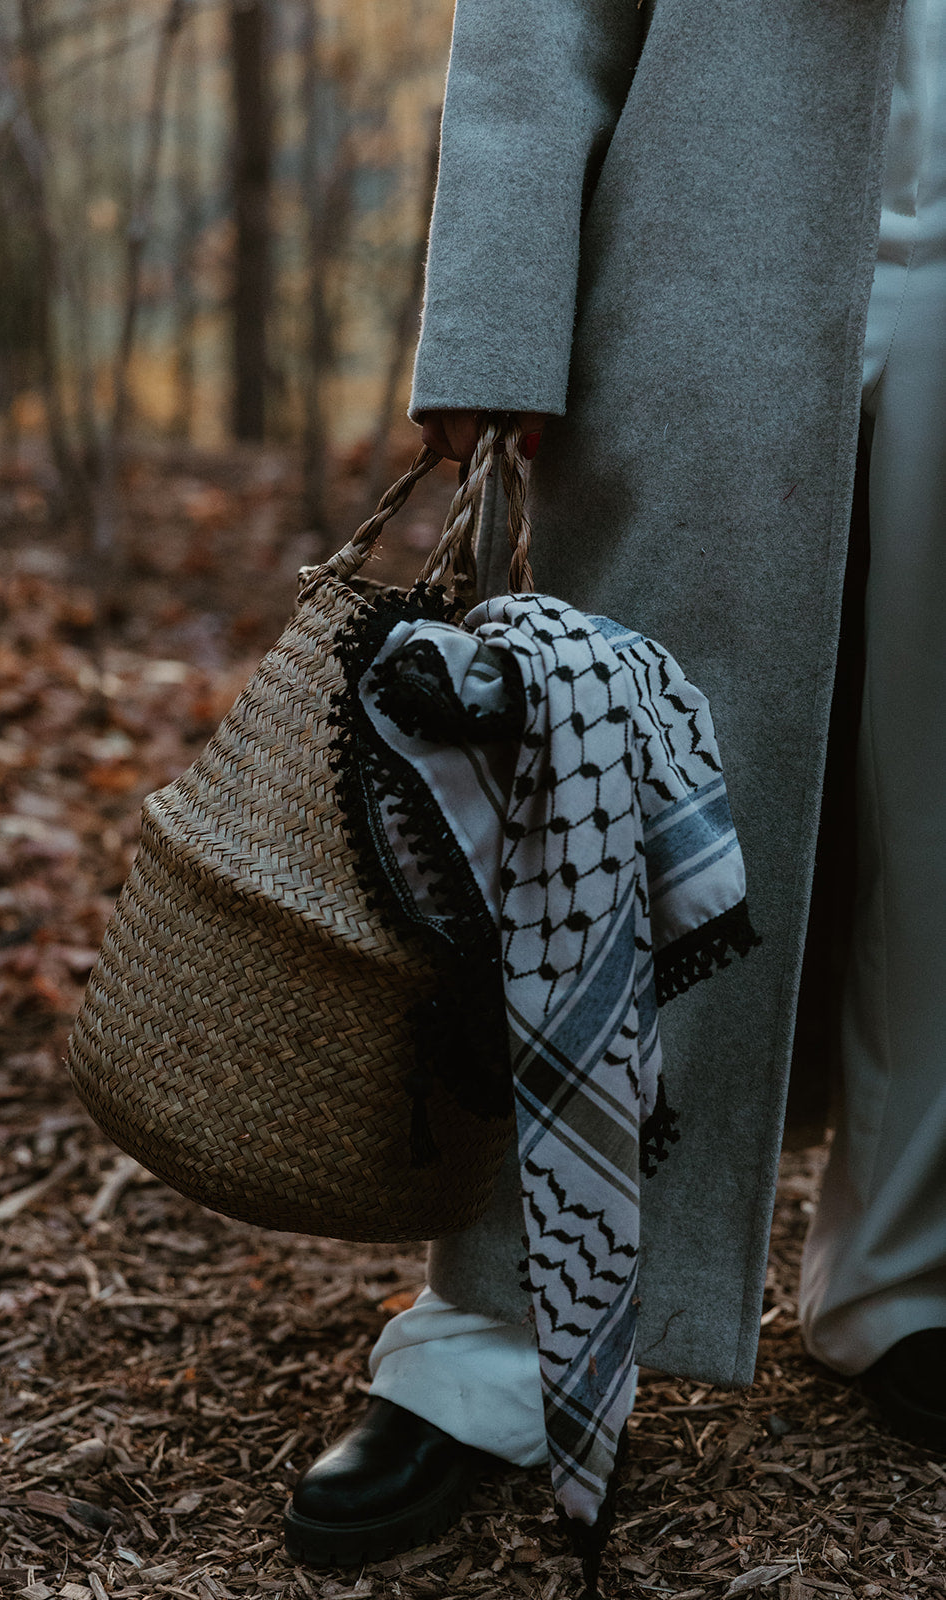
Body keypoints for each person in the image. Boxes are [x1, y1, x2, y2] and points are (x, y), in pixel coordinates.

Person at [283, 0, 946, 1571]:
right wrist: (492, 319)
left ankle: (909, 1276)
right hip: (707, 237)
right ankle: (499, 1333)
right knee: (602, 782)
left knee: (939, 825)